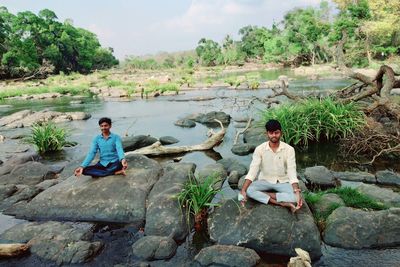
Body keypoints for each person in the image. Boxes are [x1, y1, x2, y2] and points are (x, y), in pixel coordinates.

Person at [240, 119, 303, 213]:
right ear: (267, 134)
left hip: (282, 181)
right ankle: (281, 203)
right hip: (265, 181)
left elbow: (291, 170)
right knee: (249, 190)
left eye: (276, 132)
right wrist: (243, 190)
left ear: (281, 133)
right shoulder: (260, 149)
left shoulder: (289, 149)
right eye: (271, 133)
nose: (274, 135)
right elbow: (253, 170)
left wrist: (296, 190)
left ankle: (265, 195)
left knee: (295, 197)